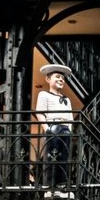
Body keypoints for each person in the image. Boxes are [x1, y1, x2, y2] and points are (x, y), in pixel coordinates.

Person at [36, 62, 77, 191]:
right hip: (52, 126)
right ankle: (49, 184)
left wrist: (69, 128)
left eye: (62, 78)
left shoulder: (67, 99)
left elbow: (70, 116)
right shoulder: (44, 94)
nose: (61, 80)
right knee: (51, 155)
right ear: (48, 79)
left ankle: (62, 183)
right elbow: (40, 112)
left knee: (64, 156)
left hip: (64, 128)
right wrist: (47, 128)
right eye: (57, 77)